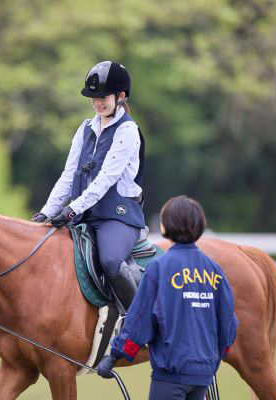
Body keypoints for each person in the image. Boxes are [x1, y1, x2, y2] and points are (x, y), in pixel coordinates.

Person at [96, 196, 238, 400]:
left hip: (171, 376)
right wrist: (216, 354)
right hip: (203, 376)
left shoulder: (160, 267)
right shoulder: (214, 269)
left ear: (166, 227)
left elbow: (140, 320)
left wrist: (116, 355)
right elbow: (229, 323)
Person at [31, 61, 146, 313]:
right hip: (84, 214)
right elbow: (69, 174)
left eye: (103, 97)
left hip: (116, 217)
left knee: (111, 261)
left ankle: (138, 323)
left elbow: (105, 178)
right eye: (93, 98)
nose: (97, 103)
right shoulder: (85, 128)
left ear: (121, 96)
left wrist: (71, 210)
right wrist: (46, 212)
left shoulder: (128, 131)